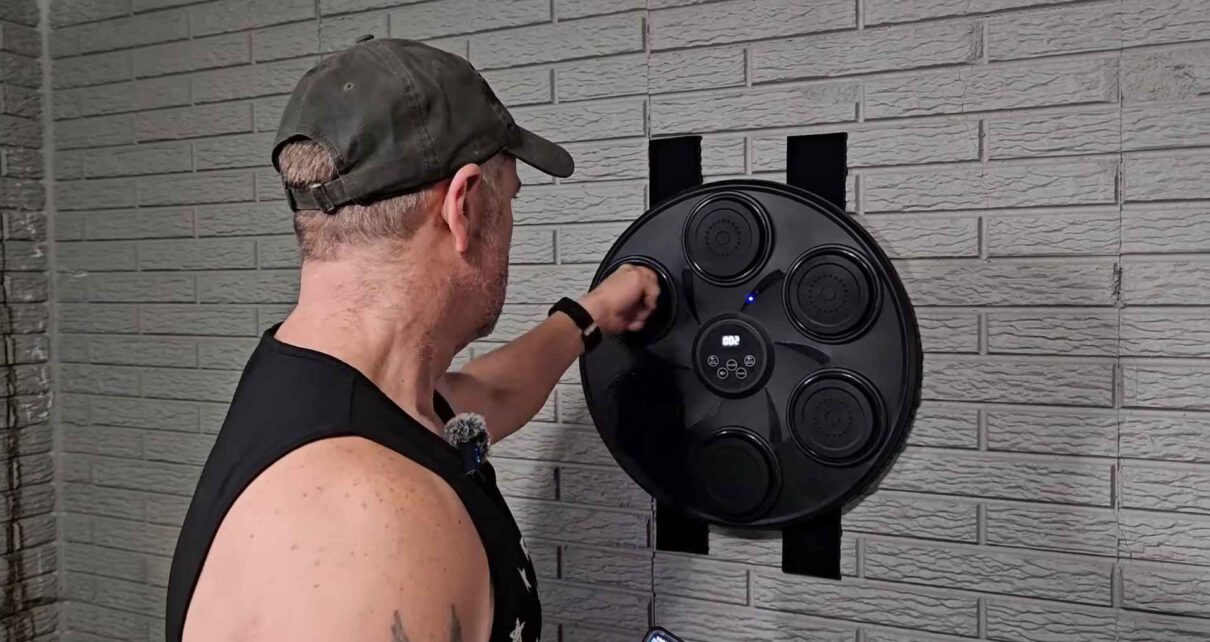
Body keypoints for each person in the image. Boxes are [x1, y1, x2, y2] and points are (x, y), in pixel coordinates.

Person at [165, 37, 660, 642]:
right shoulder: (377, 534)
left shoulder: (329, 389)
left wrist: (591, 315)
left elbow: (483, 395)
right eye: (511, 198)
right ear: (463, 207)